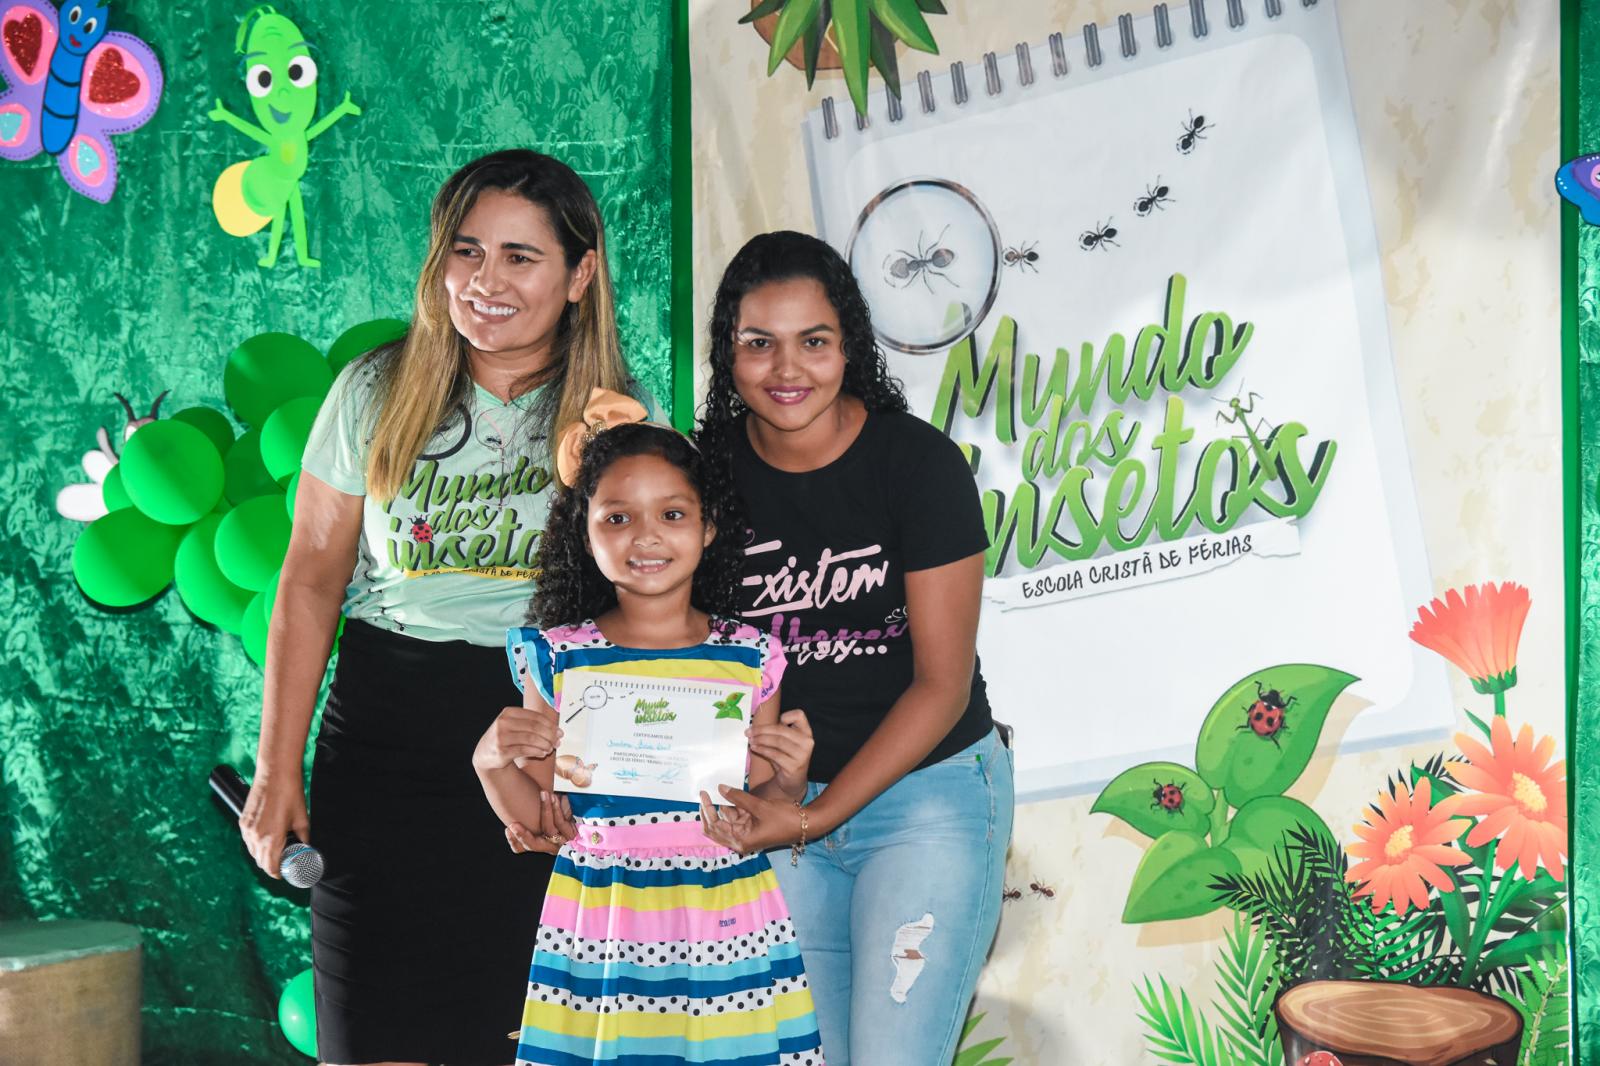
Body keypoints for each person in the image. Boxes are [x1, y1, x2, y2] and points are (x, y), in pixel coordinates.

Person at [238, 149, 645, 1066]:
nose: (485, 281)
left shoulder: (616, 415)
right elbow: (308, 581)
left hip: (538, 738)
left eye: (520, 256)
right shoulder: (375, 391)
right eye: (466, 251)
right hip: (383, 733)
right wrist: (277, 769)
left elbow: (636, 610)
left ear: (580, 274)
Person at [693, 231, 1015, 1066]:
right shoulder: (701, 481)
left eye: (814, 342)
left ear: (851, 348)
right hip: (776, 802)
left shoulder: (918, 466)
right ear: (727, 353)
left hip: (926, 797)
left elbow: (941, 687)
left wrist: (816, 816)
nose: (785, 368)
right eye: (758, 343)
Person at [476, 397, 826, 1066]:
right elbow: (543, 820)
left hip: (724, 914)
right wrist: (490, 763)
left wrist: (790, 776)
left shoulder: (751, 657)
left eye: (672, 514)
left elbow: (765, 804)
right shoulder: (559, 659)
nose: (646, 537)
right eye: (617, 518)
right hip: (604, 920)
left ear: (709, 526)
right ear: (584, 532)